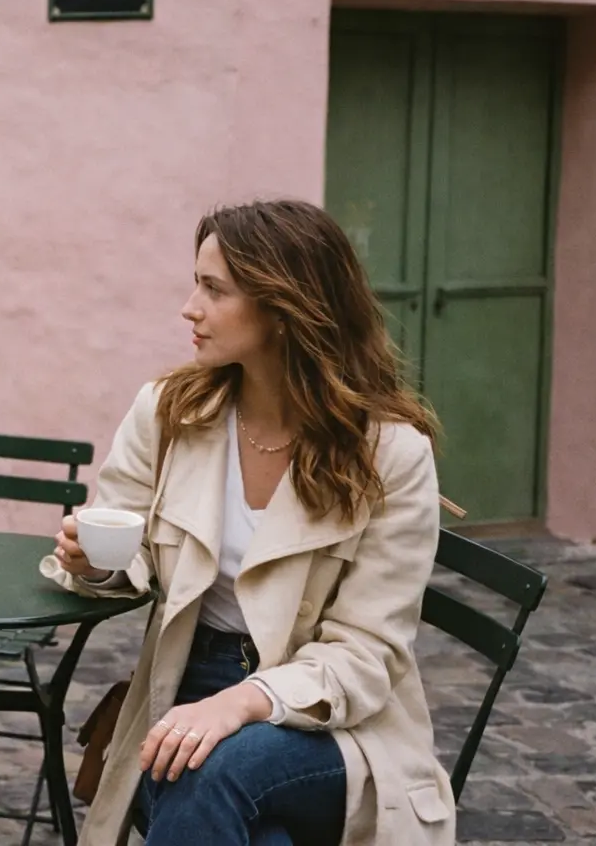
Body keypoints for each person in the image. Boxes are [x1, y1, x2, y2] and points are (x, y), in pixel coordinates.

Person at [42, 199, 455, 846]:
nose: (189, 307)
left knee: (210, 768)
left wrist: (242, 702)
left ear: (284, 309)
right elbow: (123, 536)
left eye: (214, 289)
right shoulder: (171, 412)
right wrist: (94, 563)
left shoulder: (389, 455)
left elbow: (367, 655)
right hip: (186, 682)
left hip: (337, 723)